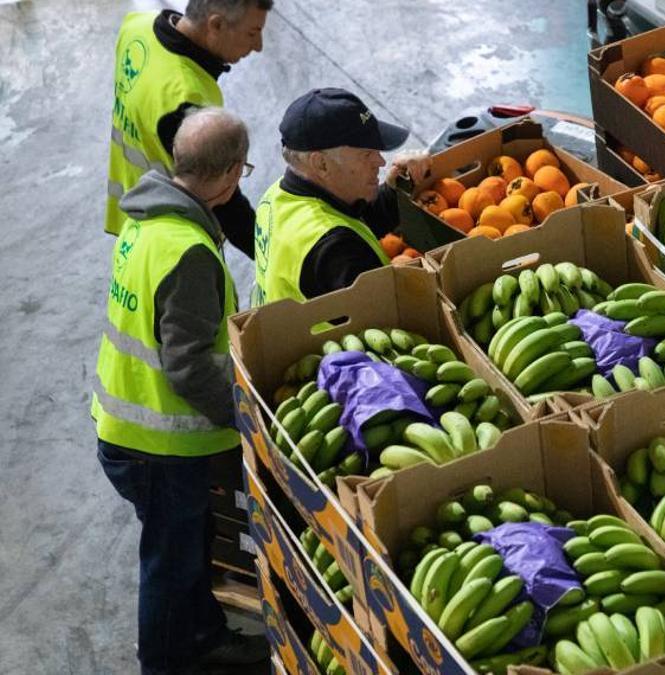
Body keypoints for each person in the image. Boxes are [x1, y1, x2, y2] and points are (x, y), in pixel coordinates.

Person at [94, 108, 268, 674]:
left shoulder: (149, 219)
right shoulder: (188, 249)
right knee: (169, 562)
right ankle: (167, 660)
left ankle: (202, 634)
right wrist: (251, 416)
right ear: (231, 175)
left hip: (123, 424)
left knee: (186, 548)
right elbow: (190, 368)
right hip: (159, 445)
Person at [107, 0, 272, 259]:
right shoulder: (186, 101)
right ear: (215, 24)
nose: (258, 46)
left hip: (132, 210)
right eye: (252, 33)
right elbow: (227, 204)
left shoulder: (138, 27)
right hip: (173, 237)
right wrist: (274, 256)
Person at [252, 87, 431, 306]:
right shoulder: (334, 251)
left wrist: (394, 190)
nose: (381, 162)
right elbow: (392, 314)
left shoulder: (276, 195)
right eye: (366, 154)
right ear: (321, 164)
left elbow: (356, 223)